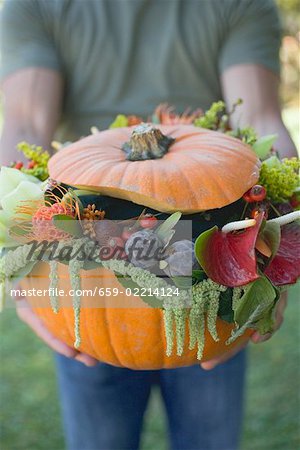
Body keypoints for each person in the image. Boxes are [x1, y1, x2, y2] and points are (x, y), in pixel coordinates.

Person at [0, 1, 297, 449]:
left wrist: (282, 242)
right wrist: (16, 259)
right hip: (89, 246)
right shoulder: (35, 4)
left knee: (209, 433)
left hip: (214, 242)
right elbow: (25, 122)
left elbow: (257, 117)